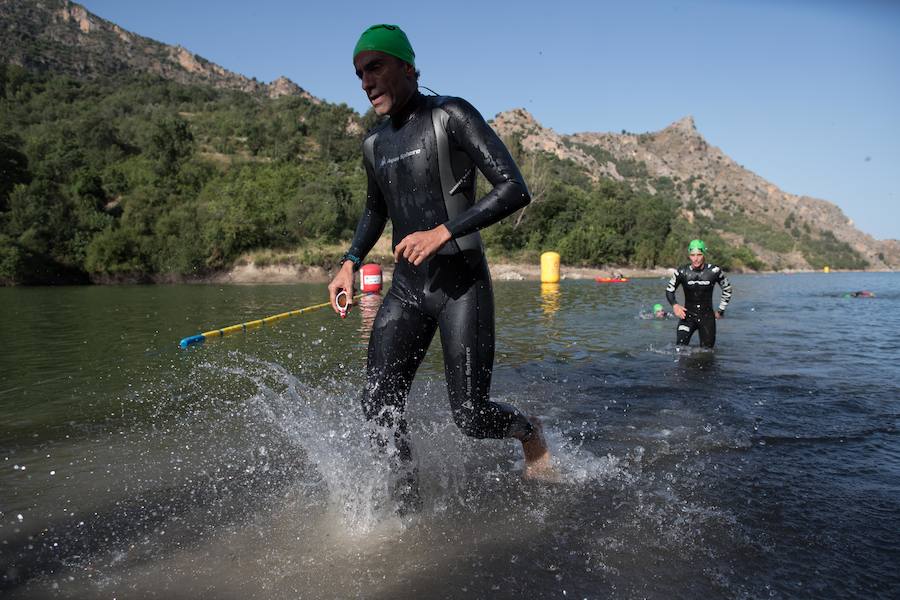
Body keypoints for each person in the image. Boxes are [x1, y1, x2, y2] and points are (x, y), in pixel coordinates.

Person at [327, 24, 553, 506]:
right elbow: (375, 211)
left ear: (407, 66)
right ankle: (406, 508)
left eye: (375, 67)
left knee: (470, 416)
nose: (365, 82)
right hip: (408, 289)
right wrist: (349, 262)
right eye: (359, 74)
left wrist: (443, 231)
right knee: (378, 404)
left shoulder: (450, 115)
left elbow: (514, 188)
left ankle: (529, 432)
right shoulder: (373, 145)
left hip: (461, 283)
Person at [665, 239, 733, 348]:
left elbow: (727, 289)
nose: (695, 259)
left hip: (707, 318)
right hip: (687, 316)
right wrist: (675, 305)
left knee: (707, 353)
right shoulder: (682, 271)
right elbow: (669, 290)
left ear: (704, 254)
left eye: (699, 255)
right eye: (692, 255)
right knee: (679, 348)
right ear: (689, 255)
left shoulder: (714, 271)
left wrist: (721, 310)